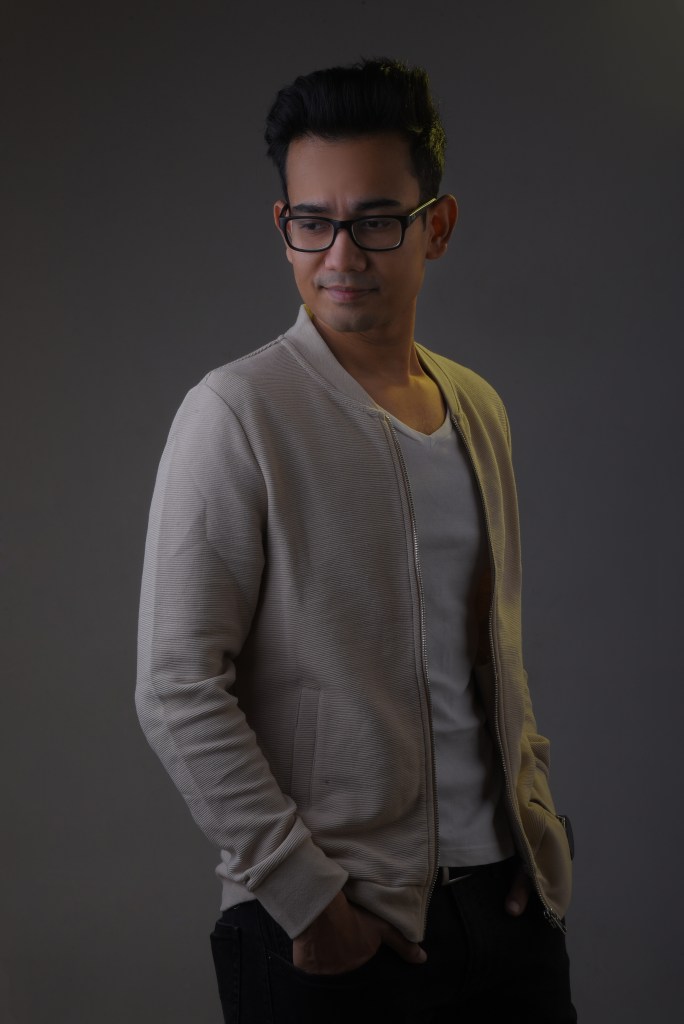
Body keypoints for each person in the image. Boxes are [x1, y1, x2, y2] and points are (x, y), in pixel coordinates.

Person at [136, 58, 576, 1023]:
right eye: (313, 221)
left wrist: (537, 824)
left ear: (436, 227)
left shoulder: (478, 408)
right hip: (333, 930)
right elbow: (176, 684)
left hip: (506, 910)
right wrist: (307, 899)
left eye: (377, 221)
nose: (341, 255)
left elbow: (491, 656)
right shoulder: (236, 412)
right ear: (283, 226)